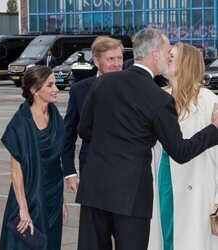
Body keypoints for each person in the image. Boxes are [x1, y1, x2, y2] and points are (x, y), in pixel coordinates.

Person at [75, 28, 218, 250]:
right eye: (167, 51)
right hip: (131, 195)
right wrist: (214, 129)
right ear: (155, 54)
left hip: (95, 191)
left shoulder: (103, 82)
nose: (169, 56)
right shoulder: (158, 98)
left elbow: (85, 130)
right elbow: (180, 151)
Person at [148, 42, 218, 250]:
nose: (166, 57)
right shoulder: (158, 97)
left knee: (188, 240)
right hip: (163, 179)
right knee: (164, 235)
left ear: (186, 62)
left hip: (198, 188)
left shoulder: (208, 101)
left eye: (172, 55)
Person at [0, 65, 67, 250]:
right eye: (50, 85)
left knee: (51, 243)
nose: (56, 90)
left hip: (53, 195)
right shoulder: (21, 123)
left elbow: (56, 162)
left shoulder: (55, 116)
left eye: (55, 84)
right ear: (34, 90)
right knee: (27, 244)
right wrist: (23, 208)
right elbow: (15, 170)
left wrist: (61, 201)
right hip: (30, 194)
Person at [62, 36, 124, 192]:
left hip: (125, 167)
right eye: (111, 59)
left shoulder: (133, 87)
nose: (117, 64)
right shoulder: (79, 90)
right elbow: (68, 134)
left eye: (120, 58)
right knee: (92, 215)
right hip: (91, 166)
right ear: (96, 61)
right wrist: (69, 172)